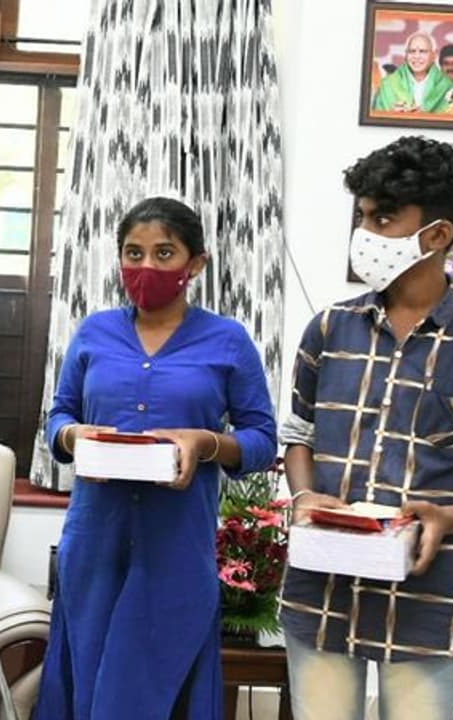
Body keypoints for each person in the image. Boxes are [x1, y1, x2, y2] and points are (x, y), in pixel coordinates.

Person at [279, 136, 453, 719]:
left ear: (438, 235)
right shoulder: (328, 330)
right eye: (362, 216)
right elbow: (297, 436)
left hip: (431, 602)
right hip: (323, 590)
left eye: (382, 218)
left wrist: (449, 517)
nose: (366, 232)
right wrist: (304, 496)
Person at [34, 198, 278, 719]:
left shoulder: (228, 340)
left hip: (176, 548)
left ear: (196, 264)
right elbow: (57, 418)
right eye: (133, 253)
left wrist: (205, 443)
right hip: (95, 542)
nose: (146, 268)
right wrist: (76, 435)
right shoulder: (94, 331)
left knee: (156, 691)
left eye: (164, 253)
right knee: (86, 684)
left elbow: (262, 441)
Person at [372, 32, 453, 113]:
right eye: (412, 51)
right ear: (405, 55)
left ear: (434, 55)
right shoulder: (388, 84)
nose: (416, 56)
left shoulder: (447, 87)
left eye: (422, 51)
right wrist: (392, 115)